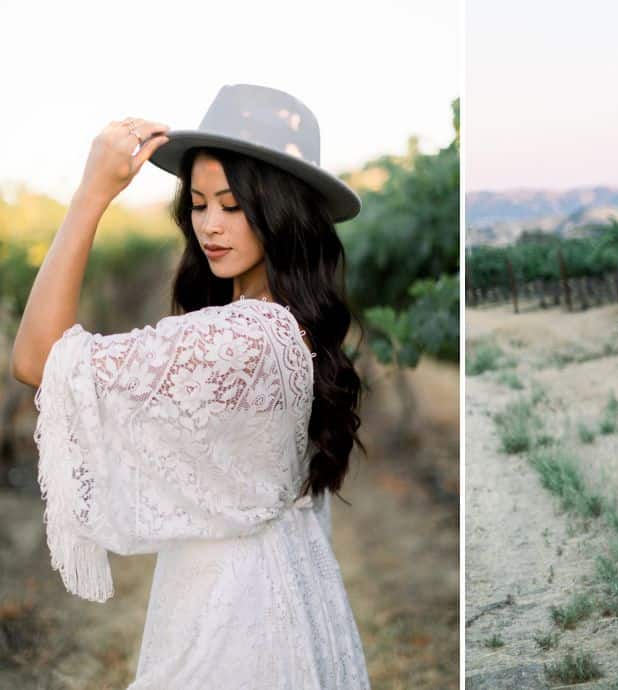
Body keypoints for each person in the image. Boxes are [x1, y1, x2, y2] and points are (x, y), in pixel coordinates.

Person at [9, 84, 370, 688]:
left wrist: (91, 193)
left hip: (230, 614)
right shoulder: (293, 324)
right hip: (287, 587)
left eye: (233, 205)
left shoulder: (245, 337)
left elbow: (35, 357)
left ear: (281, 212)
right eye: (199, 204)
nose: (210, 225)